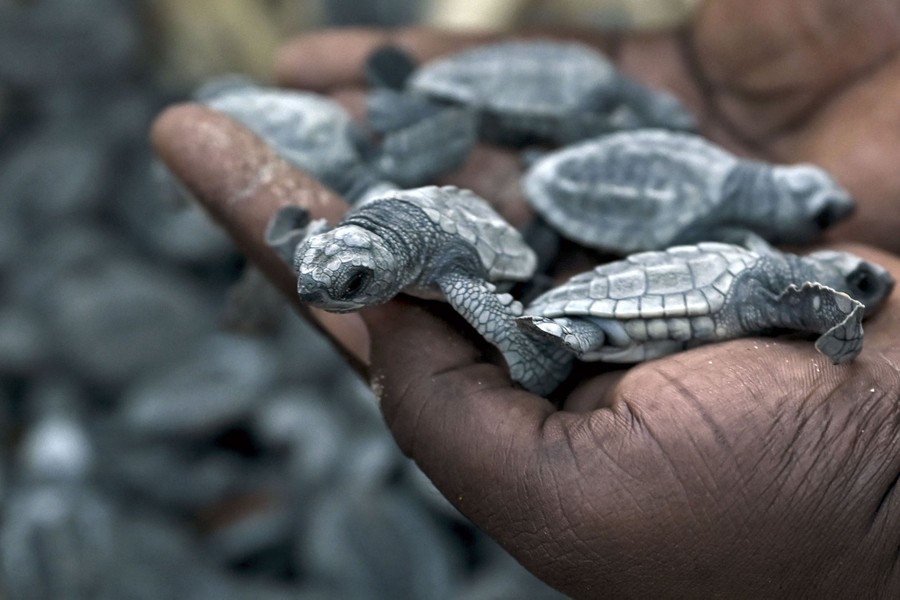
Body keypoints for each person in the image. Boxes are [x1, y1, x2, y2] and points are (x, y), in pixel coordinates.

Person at [152, 1, 900, 596]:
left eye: (347, 286)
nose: (327, 293)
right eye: (329, 274)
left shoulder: (450, 258)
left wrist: (873, 508)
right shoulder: (403, 241)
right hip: (475, 222)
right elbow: (338, 244)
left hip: (501, 237)